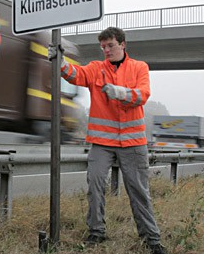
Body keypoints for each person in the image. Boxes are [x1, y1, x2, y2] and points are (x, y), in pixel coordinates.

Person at [49, 27, 167, 254]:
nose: (106, 50)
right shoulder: (96, 69)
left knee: (139, 191)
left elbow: (143, 95)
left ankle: (151, 238)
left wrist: (120, 93)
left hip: (133, 144)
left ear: (123, 44)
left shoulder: (139, 67)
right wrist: (60, 60)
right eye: (103, 47)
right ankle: (96, 232)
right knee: (95, 184)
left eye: (110, 45)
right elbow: (75, 74)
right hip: (102, 143)